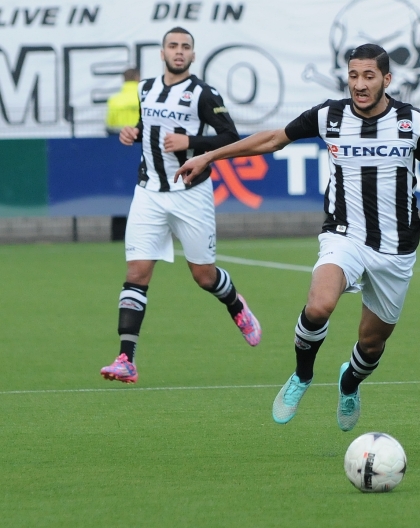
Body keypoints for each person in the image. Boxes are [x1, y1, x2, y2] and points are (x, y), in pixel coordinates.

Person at [175, 44, 420, 431]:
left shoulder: (412, 122)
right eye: (353, 76)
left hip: (396, 250)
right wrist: (210, 156)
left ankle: (349, 383)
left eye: (368, 76)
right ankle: (302, 376)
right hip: (343, 235)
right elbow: (271, 139)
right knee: (319, 305)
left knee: (371, 344)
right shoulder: (329, 115)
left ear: (386, 79)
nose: (360, 85)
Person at [100, 27, 262, 384]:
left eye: (185, 47)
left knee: (203, 276)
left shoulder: (204, 94)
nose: (178, 51)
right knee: (136, 273)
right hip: (148, 193)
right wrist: (133, 133)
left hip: (190, 192)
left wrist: (191, 140)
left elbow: (231, 138)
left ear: (192, 54)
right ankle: (126, 358)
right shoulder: (145, 89)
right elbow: (148, 127)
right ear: (162, 52)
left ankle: (235, 304)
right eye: (172, 46)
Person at [106, 68, 141, 135]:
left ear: (123, 79)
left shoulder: (113, 100)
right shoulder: (144, 98)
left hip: (120, 137)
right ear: (137, 78)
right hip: (140, 137)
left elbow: (110, 124)